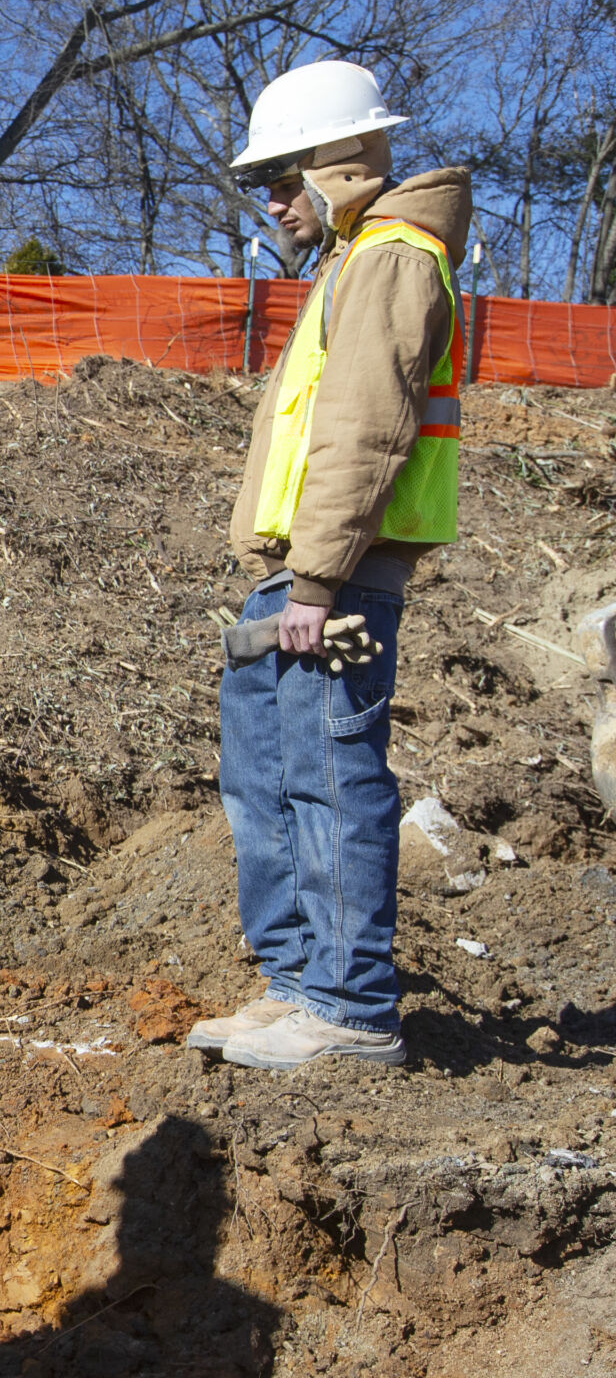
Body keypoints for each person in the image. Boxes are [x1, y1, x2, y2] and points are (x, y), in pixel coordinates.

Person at [190, 59, 471, 1071]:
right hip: (304, 571)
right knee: (269, 777)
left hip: (336, 577)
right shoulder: (355, 263)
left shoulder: (391, 258)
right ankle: (299, 982)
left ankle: (349, 1006)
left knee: (329, 778)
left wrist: (314, 587)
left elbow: (362, 433)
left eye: (284, 175)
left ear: (342, 166)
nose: (273, 201)